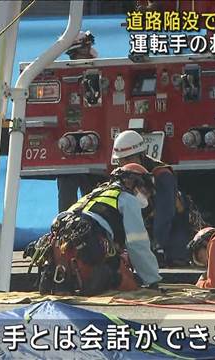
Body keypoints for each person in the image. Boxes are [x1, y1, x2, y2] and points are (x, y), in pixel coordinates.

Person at [65, 163, 162, 288]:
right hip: (89, 245)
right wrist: (152, 279)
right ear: (133, 183)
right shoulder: (128, 200)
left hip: (66, 240)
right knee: (127, 282)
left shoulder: (96, 193)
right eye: (144, 188)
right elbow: (137, 244)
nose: (146, 195)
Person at [112, 130, 191, 266]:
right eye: (121, 161)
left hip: (174, 231)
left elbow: (165, 217)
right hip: (149, 226)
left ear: (141, 156)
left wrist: (156, 248)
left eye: (129, 159)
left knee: (175, 257)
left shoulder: (162, 175)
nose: (125, 164)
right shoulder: (123, 175)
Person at [57, 30, 105, 212]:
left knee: (95, 199)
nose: (88, 50)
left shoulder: (100, 74)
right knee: (67, 201)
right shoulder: (64, 76)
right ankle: (65, 233)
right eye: (85, 47)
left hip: (95, 149)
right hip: (70, 151)